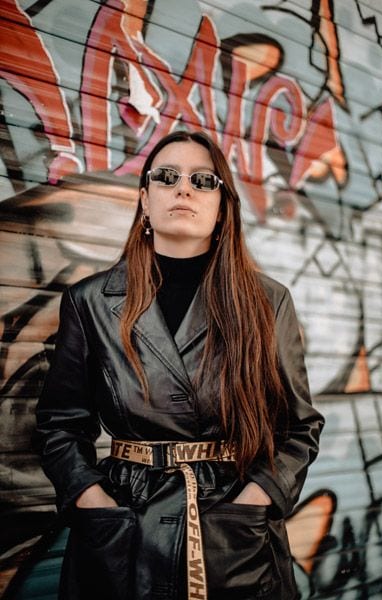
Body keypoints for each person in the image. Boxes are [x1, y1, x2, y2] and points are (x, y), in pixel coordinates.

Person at [34, 130, 324, 600]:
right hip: (124, 530)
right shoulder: (91, 301)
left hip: (232, 531)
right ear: (145, 200)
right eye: (166, 177)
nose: (183, 189)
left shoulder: (266, 302)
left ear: (222, 207)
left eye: (203, 180)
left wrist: (255, 501)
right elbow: (60, 424)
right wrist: (92, 500)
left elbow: (297, 427)